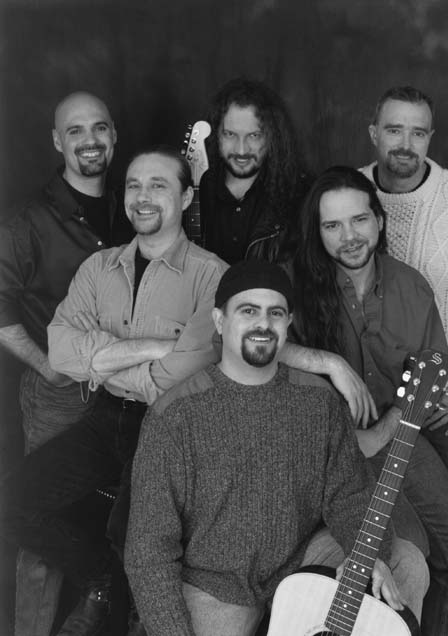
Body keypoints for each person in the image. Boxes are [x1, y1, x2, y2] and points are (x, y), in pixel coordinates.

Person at [0, 146, 226, 636]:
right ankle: (99, 578)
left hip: (169, 427)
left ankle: (131, 618)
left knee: (133, 537)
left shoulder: (213, 276)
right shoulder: (98, 267)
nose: (143, 197)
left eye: (158, 185)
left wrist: (101, 362)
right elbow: (61, 353)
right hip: (103, 419)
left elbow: (180, 374)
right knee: (12, 503)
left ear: (187, 196)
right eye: (134, 185)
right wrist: (150, 348)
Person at [125, 259, 405, 636]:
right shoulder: (174, 416)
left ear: (288, 323)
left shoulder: (319, 401)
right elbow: (149, 551)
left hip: (301, 560)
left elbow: (350, 494)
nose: (263, 323)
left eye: (275, 313)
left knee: (405, 565)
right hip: (213, 582)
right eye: (248, 311)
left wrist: (367, 554)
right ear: (220, 321)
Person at [291, 166, 448, 636]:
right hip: (326, 448)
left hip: (395, 432)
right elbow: (246, 341)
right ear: (317, 231)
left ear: (379, 221)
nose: (349, 237)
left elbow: (432, 371)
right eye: (332, 225)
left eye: (359, 220)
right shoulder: (294, 284)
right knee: (407, 550)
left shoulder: (410, 285)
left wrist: (381, 432)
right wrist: (330, 363)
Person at [0, 91, 123, 636]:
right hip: (60, 390)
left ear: (114, 135)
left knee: (115, 515)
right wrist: (46, 365)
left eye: (99, 128)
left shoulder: (130, 206)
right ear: (57, 141)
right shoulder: (29, 222)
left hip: (123, 390)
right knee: (39, 522)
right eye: (76, 130)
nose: (89, 140)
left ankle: (98, 605)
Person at [360, 85, 448, 498]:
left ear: (430, 138)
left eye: (418, 133)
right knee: (372, 518)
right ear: (373, 133)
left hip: (442, 400)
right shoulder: (349, 192)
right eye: (394, 130)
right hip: (368, 398)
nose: (406, 144)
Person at [199, 77, 309, 264]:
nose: (241, 149)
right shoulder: (191, 194)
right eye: (230, 134)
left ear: (273, 137)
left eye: (254, 135)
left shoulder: (302, 197)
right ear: (216, 135)